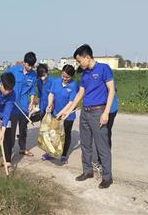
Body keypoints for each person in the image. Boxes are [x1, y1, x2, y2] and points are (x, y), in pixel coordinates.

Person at [59, 44, 115, 189]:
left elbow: (111, 91)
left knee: (102, 146)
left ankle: (107, 177)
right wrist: (69, 110)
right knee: (85, 144)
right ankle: (87, 171)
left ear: (87, 57)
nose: (78, 64)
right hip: (85, 112)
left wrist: (106, 112)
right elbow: (80, 94)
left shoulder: (103, 69)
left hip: (98, 112)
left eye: (79, 61)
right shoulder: (84, 74)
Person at [44, 64, 78, 164]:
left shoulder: (73, 86)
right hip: (56, 113)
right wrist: (50, 104)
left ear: (72, 76)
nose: (64, 78)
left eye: (67, 77)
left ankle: (64, 155)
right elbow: (51, 93)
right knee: (53, 133)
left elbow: (71, 103)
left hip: (68, 115)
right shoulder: (56, 82)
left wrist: (61, 113)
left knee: (66, 135)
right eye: (63, 76)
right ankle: (51, 153)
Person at [5, 52, 37, 157]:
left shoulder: (33, 75)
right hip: (12, 105)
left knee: (23, 129)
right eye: (29, 65)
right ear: (24, 63)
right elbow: (3, 79)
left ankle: (22, 149)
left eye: (32, 66)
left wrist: (32, 102)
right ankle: (8, 152)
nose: (30, 68)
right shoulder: (14, 70)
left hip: (24, 106)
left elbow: (32, 90)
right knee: (11, 130)